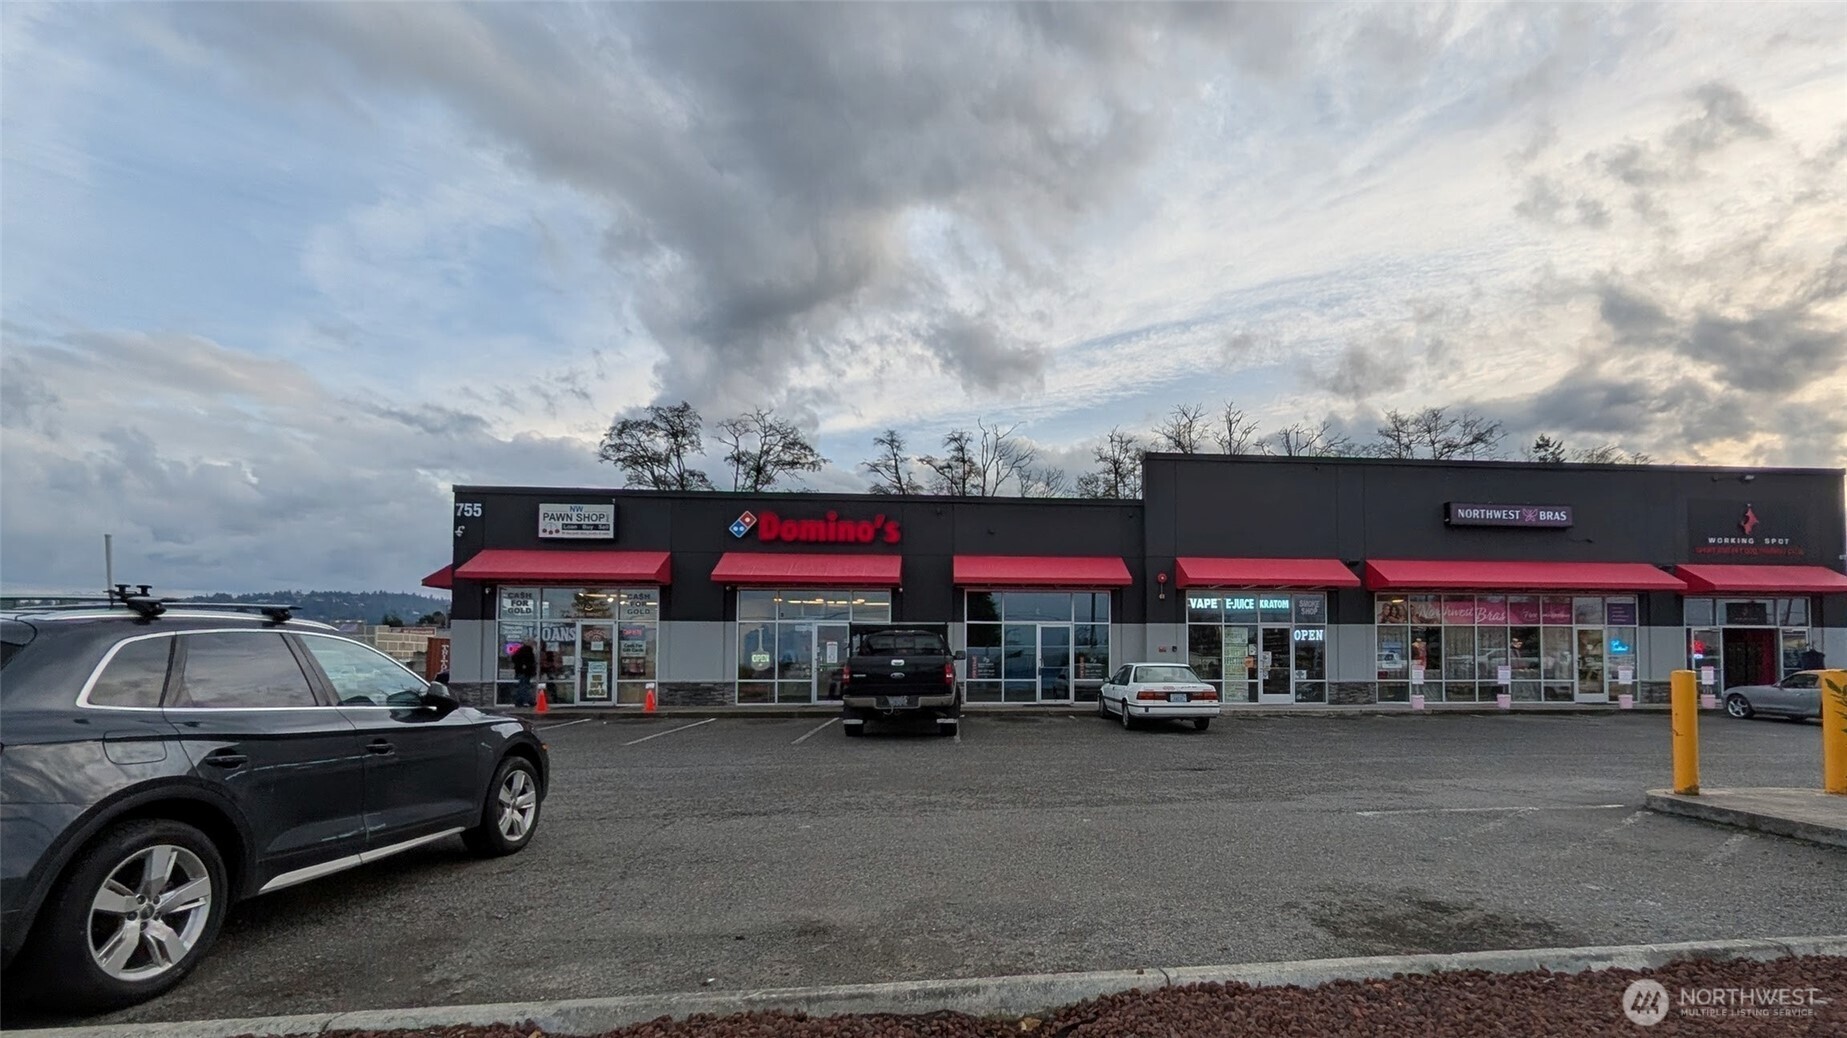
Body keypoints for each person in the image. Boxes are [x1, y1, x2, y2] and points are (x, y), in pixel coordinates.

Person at [511, 639, 538, 707]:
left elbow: (514, 657)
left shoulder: (522, 650)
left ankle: (520, 702)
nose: (534, 645)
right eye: (533, 643)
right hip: (524, 672)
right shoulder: (526, 650)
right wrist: (524, 666)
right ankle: (528, 701)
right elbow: (528, 661)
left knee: (522, 687)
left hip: (523, 672)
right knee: (524, 687)